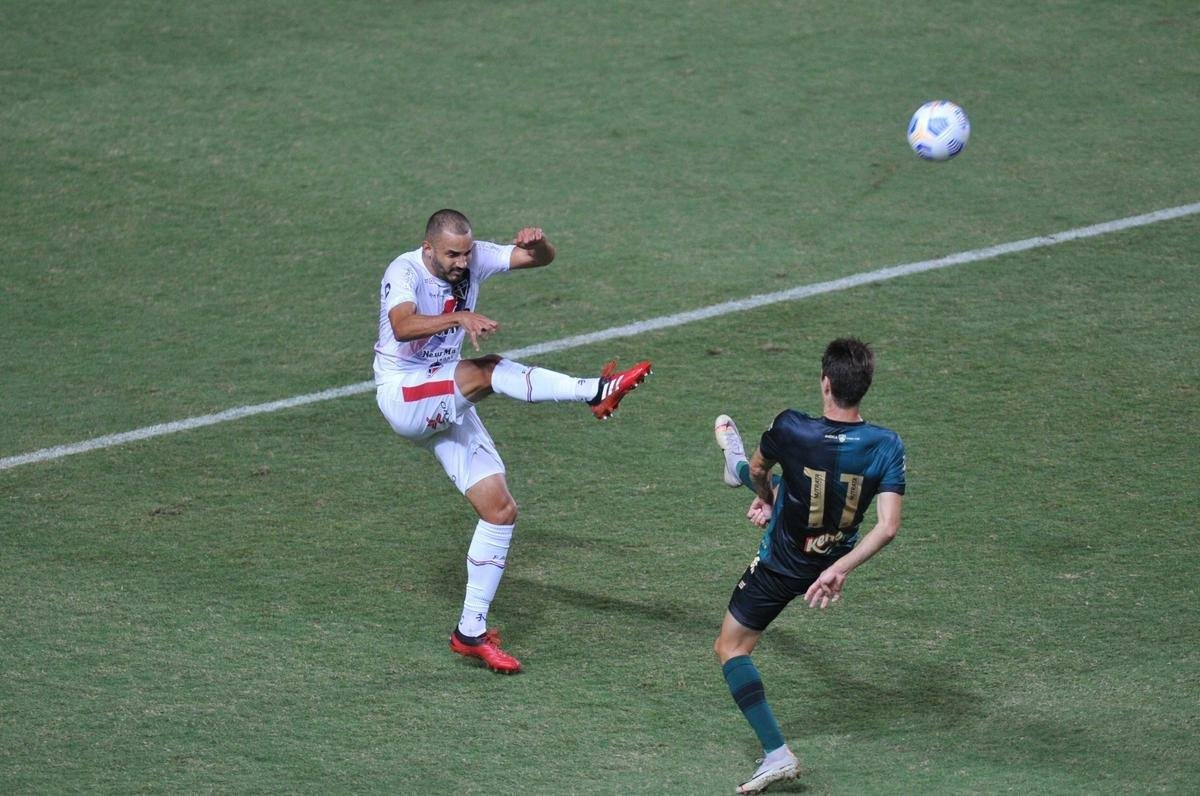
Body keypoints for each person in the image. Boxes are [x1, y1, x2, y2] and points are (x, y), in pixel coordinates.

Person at [374, 209, 651, 674]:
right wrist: (460, 317)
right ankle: (595, 392)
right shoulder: (403, 270)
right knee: (488, 370)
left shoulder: (474, 256)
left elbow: (538, 259)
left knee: (499, 510)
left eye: (467, 252)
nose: (463, 263)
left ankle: (470, 632)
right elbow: (402, 325)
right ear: (428, 249)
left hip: (445, 390)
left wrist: (538, 243)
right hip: (405, 392)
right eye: (452, 255)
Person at [711, 338, 905, 794]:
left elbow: (763, 474)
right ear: (865, 387)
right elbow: (889, 526)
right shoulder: (886, 444)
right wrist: (839, 569)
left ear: (825, 383)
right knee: (799, 493)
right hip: (832, 555)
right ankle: (747, 478)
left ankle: (777, 753)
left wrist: (764, 496)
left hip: (783, 561)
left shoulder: (790, 428)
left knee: (731, 649)